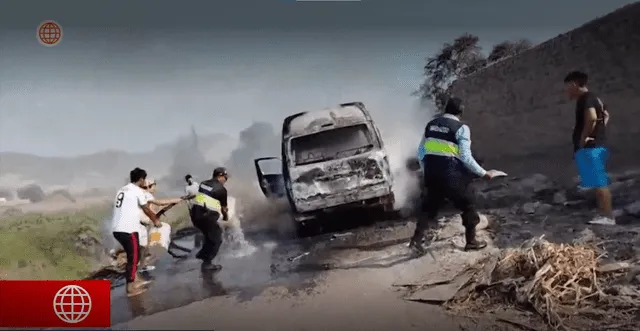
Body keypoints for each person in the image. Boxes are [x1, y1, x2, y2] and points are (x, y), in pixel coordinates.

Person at [410, 97, 506, 255]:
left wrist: (427, 170)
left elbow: (421, 152)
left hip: (432, 174)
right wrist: (484, 173)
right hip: (451, 175)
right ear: (461, 111)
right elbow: (466, 158)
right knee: (468, 203)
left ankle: (416, 241)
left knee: (429, 208)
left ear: (445, 109)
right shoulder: (461, 128)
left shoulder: (431, 125)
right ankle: (471, 241)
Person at [564, 71, 614, 225]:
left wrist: (584, 137)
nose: (567, 91)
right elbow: (605, 115)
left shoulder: (585, 98)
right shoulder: (595, 98)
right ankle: (603, 213)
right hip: (596, 143)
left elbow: (592, 117)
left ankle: (608, 216)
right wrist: (598, 130)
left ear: (574, 84)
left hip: (591, 146)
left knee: (599, 182)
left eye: (567, 87)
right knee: (596, 180)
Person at [111, 167, 161, 297]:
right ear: (141, 180)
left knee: (133, 256)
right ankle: (130, 288)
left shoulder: (122, 189)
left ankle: (136, 280)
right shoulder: (137, 191)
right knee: (134, 258)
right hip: (129, 229)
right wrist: (155, 220)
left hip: (117, 229)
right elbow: (146, 209)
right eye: (144, 180)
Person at [187, 167, 229, 271]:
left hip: (195, 215)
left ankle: (202, 255)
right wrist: (225, 217)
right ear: (220, 176)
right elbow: (224, 209)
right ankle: (207, 263)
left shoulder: (203, 183)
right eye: (225, 177)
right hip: (206, 217)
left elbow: (205, 197)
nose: (225, 180)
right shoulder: (222, 190)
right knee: (217, 239)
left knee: (209, 236)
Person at [138, 178, 184, 271]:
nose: (149, 189)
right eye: (145, 187)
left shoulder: (146, 197)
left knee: (148, 243)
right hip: (140, 226)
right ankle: (139, 270)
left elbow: (156, 213)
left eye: (151, 186)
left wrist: (169, 206)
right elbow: (160, 203)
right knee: (151, 241)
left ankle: (143, 265)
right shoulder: (145, 196)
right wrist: (176, 200)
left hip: (144, 226)